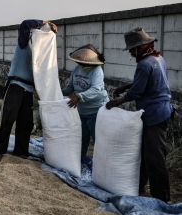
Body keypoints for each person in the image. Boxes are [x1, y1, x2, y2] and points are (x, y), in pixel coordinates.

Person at [106, 27, 172, 203]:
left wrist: (116, 102)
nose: (131, 53)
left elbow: (136, 93)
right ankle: (140, 186)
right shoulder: (157, 58)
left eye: (132, 50)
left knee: (155, 157)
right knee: (143, 152)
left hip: (154, 114)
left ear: (141, 47)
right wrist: (125, 87)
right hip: (161, 110)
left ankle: (162, 198)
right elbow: (144, 82)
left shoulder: (144, 64)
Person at [0, 19, 57, 161]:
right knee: (8, 119)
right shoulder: (23, 43)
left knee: (26, 122)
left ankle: (21, 151)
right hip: (15, 84)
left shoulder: (39, 53)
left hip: (28, 89)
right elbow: (25, 24)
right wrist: (46, 22)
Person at [62, 44, 109, 159]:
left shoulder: (96, 71)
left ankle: (101, 161)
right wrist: (59, 92)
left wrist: (78, 96)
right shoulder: (77, 69)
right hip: (82, 111)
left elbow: (96, 89)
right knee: (82, 137)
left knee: (98, 138)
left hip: (96, 110)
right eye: (80, 62)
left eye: (84, 62)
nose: (82, 64)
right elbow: (70, 86)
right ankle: (80, 159)